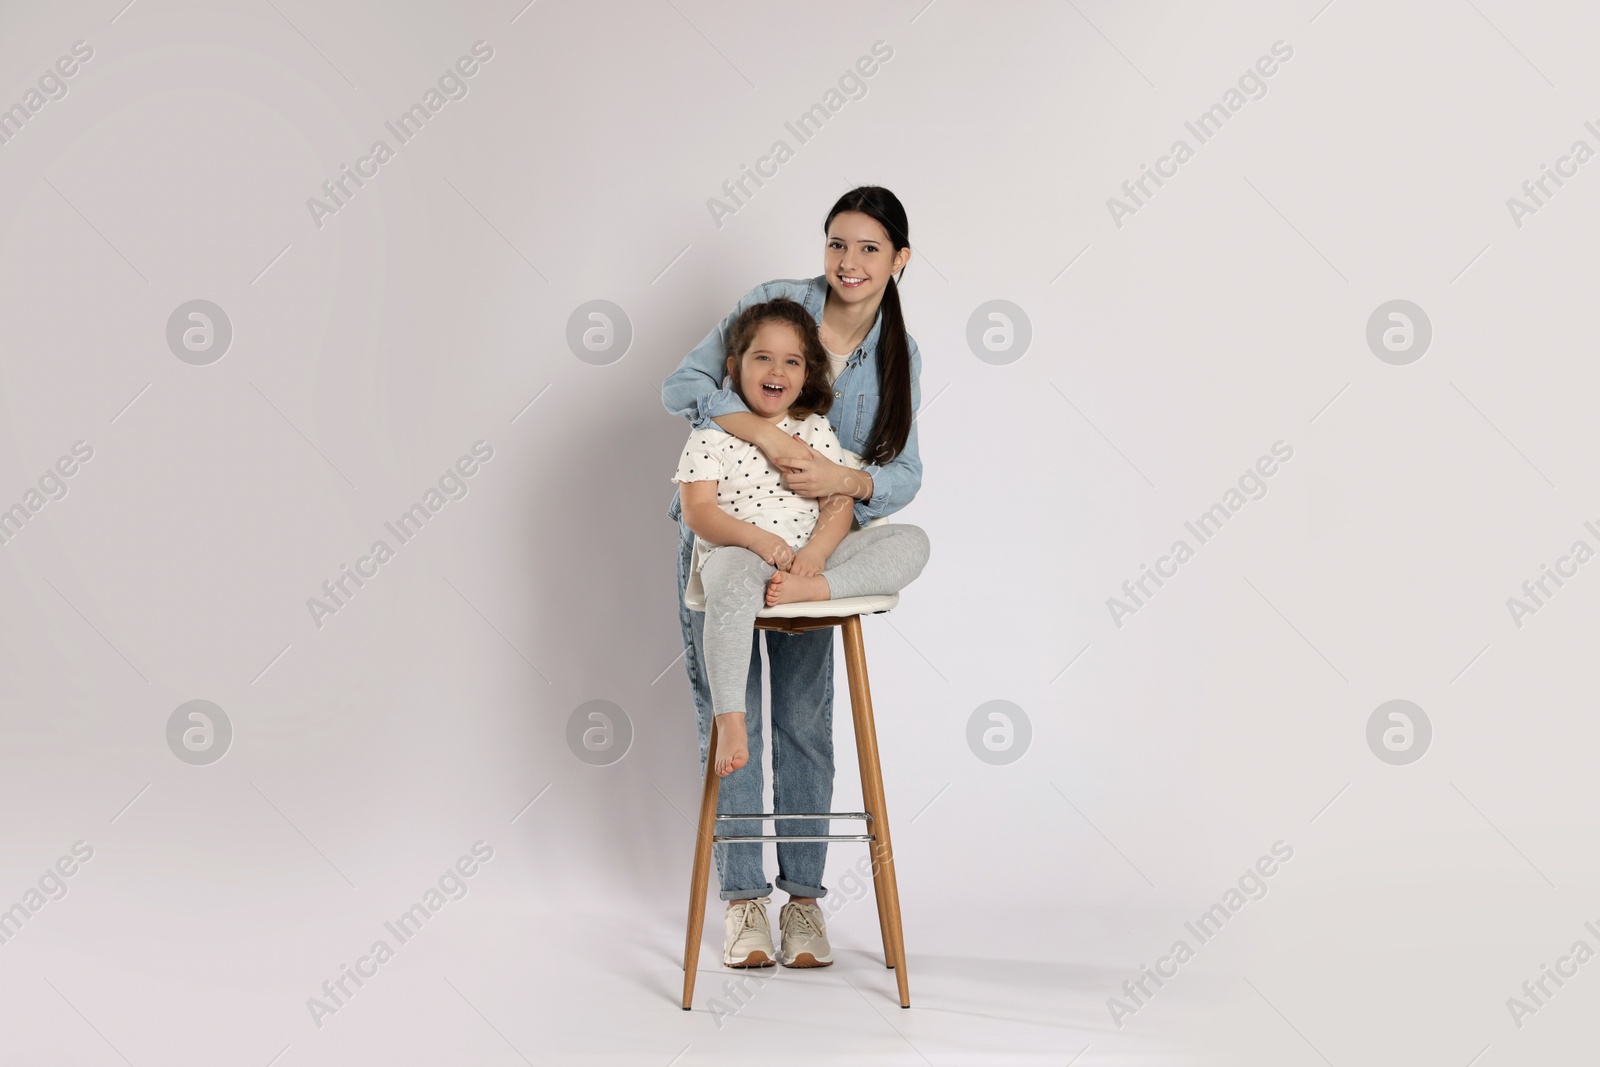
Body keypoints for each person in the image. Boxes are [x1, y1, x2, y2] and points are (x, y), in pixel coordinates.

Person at [662, 187, 928, 969]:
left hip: (814, 556)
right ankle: (745, 902)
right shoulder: (773, 312)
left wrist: (836, 495)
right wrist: (762, 435)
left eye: (870, 248)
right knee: (730, 714)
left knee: (806, 725)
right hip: (738, 549)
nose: (850, 262)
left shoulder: (898, 355)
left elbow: (900, 475)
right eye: (837, 243)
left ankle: (804, 902)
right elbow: (682, 389)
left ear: (899, 261)